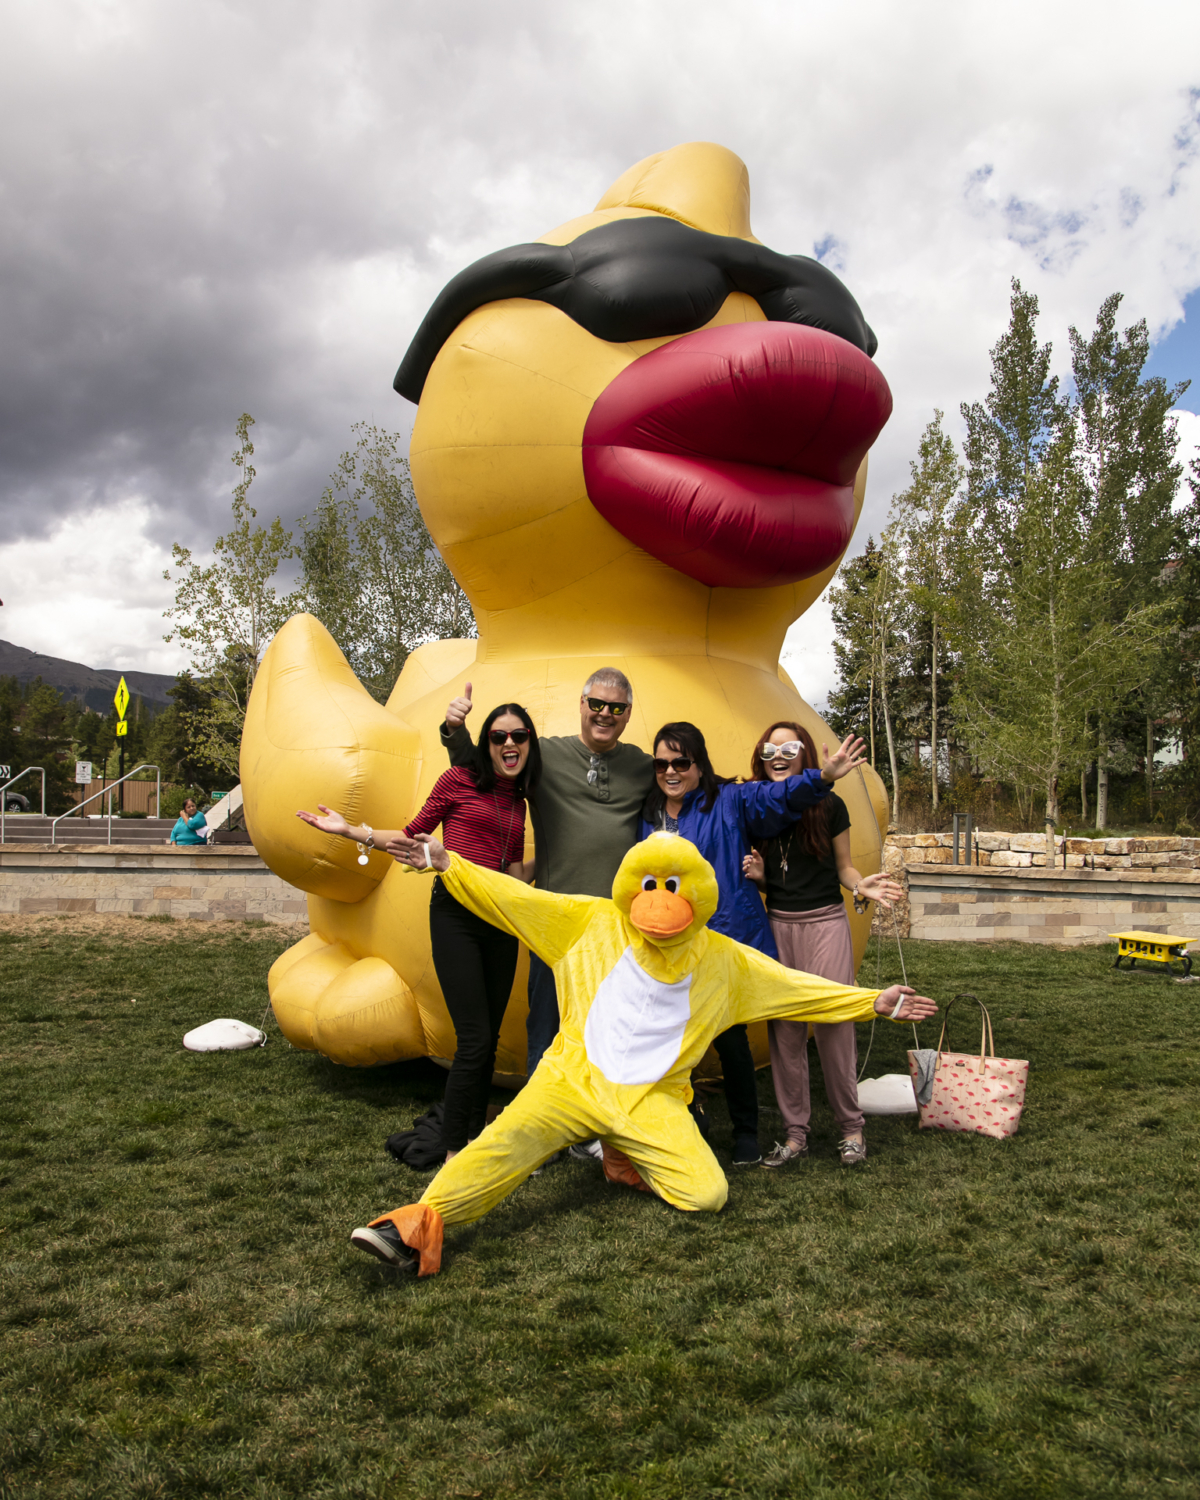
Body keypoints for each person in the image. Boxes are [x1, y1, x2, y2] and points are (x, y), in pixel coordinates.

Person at [346, 831, 938, 1276]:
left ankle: (622, 1156)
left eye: (673, 887)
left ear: (700, 893)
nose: (658, 902)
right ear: (630, 886)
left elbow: (796, 987)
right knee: (501, 1146)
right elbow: (512, 899)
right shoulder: (590, 921)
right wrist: (446, 862)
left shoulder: (724, 960)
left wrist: (873, 1002)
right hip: (570, 1082)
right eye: (649, 886)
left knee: (708, 1195)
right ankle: (414, 1227)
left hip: (650, 1099)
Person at [298, 703, 541, 1163]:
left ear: (530, 743)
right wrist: (351, 830)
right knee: (472, 1038)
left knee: (487, 1040)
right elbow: (412, 836)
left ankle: (470, 1135)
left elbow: (510, 870)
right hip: (456, 916)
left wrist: (551, 859)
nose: (509, 744)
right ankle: (453, 1153)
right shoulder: (458, 782)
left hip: (499, 918)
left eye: (519, 736)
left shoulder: (518, 801)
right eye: (498, 736)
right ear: (486, 743)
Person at [442, 669, 654, 1160]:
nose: (605, 714)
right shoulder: (546, 754)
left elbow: (695, 789)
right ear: (581, 704)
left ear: (627, 713)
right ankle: (541, 1135)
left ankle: (598, 1129)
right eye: (597, 704)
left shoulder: (643, 766)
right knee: (548, 1026)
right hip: (554, 920)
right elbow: (487, 768)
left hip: (616, 926)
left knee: (610, 1028)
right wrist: (454, 732)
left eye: (616, 708)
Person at [639, 721, 868, 1166]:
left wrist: (822, 777)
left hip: (726, 937)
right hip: (669, 943)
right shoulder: (646, 814)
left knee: (732, 1038)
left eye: (681, 762)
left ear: (698, 764)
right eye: (662, 763)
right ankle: (680, 1124)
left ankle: (748, 1132)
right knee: (667, 1039)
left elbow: (777, 796)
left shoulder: (728, 799)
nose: (671, 771)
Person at [742, 722, 903, 1168]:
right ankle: (795, 1135)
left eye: (788, 748)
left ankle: (851, 1129)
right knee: (786, 1033)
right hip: (777, 927)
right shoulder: (755, 808)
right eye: (769, 748)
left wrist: (861, 886)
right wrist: (760, 878)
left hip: (826, 925)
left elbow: (845, 869)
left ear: (805, 755)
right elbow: (767, 875)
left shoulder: (829, 805)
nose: (778, 755)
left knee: (835, 1026)